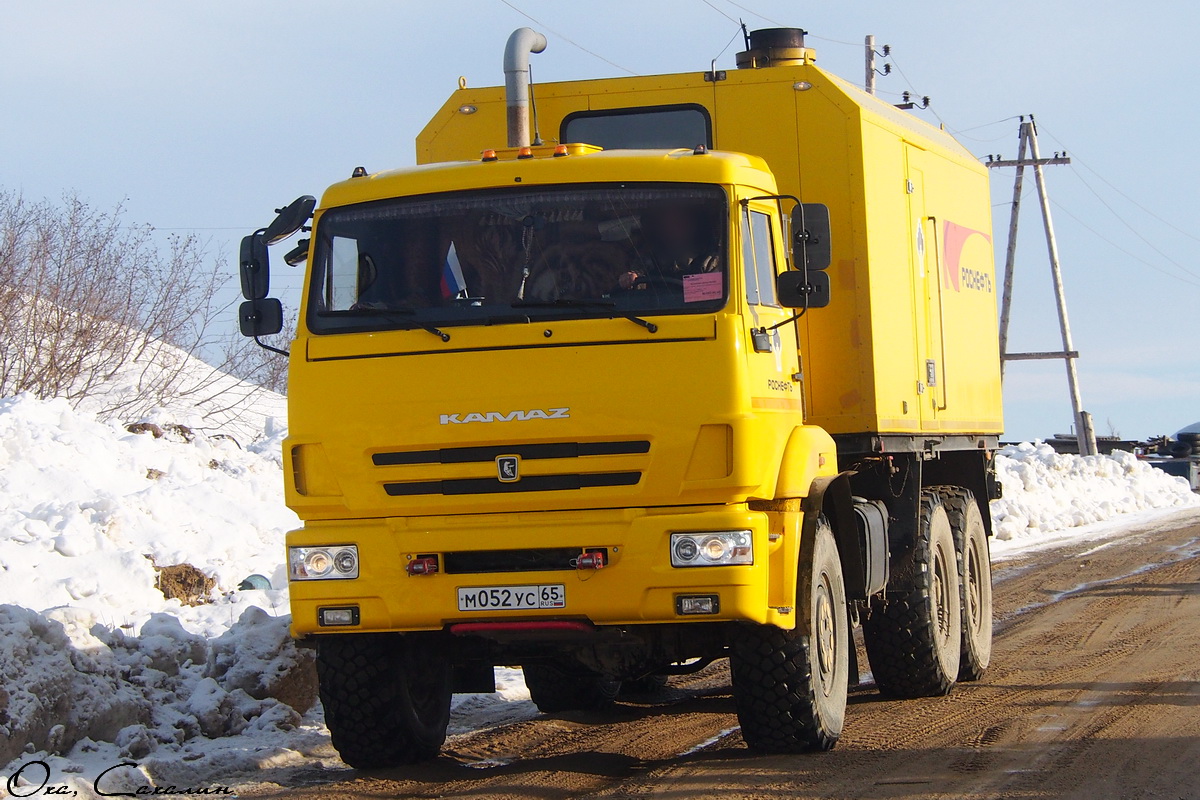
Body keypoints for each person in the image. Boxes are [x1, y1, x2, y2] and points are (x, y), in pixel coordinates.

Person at [618, 204, 720, 290]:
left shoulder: (709, 258)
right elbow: (638, 273)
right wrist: (631, 278)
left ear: (692, 226)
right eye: (666, 224)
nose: (671, 229)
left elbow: (712, 292)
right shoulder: (651, 255)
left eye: (678, 223)